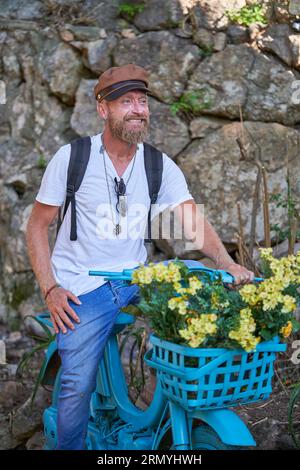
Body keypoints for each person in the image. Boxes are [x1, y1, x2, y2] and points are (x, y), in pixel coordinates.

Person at [26, 63, 254, 450]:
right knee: (77, 385)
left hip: (135, 279)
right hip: (83, 287)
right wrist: (51, 287)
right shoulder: (73, 158)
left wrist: (226, 263)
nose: (137, 109)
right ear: (103, 109)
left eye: (142, 101)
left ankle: (163, 405)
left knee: (197, 281)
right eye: (125, 101)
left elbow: (191, 218)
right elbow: (36, 226)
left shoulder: (157, 164)